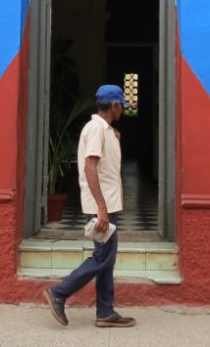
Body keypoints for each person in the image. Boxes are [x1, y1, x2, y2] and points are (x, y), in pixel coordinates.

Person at [42, 84, 136, 328]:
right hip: (101, 207)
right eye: (121, 107)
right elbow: (89, 167)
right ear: (114, 105)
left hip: (108, 204)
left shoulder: (104, 130)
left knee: (107, 259)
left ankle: (105, 312)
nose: (122, 111)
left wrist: (113, 136)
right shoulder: (96, 129)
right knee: (102, 258)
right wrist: (101, 208)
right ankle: (59, 293)